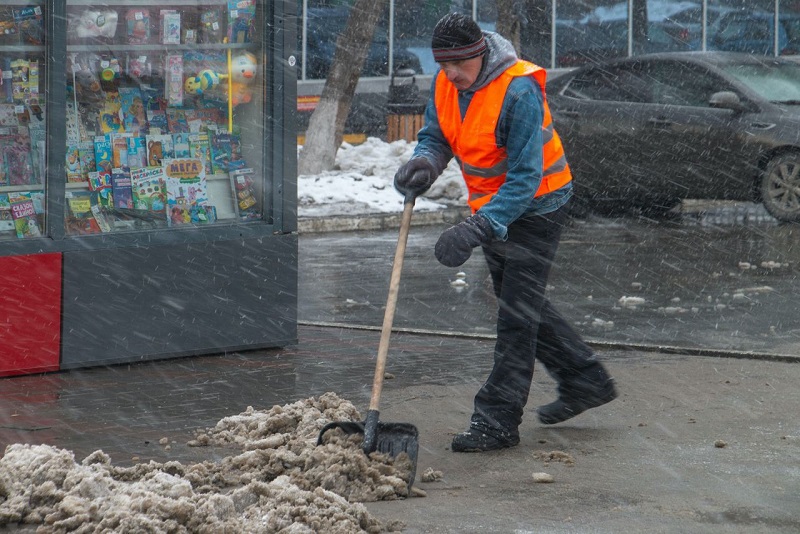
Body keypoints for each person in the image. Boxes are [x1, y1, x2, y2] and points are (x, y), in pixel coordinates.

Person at [394, 13, 617, 452]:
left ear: (480, 54)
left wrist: (476, 227)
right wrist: (425, 163)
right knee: (522, 304)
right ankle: (584, 378)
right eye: (443, 64)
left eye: (459, 64)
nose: (451, 73)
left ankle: (497, 421)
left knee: (517, 317)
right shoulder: (445, 84)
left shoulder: (518, 90)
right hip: (494, 208)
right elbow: (437, 136)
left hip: (538, 207)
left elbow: (524, 179)